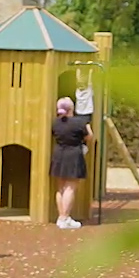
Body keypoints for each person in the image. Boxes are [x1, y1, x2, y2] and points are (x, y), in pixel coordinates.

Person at [50, 96, 92, 230]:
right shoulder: (79, 123)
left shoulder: (56, 123)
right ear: (71, 109)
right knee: (70, 187)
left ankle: (61, 217)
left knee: (60, 187)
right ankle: (65, 218)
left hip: (58, 154)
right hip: (73, 154)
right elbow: (89, 136)